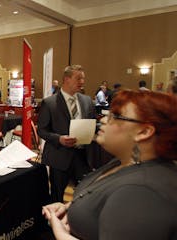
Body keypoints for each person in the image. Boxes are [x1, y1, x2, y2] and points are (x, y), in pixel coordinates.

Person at [42, 90, 177, 240]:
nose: (104, 120)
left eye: (115, 116)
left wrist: (61, 233)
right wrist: (72, 209)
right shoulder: (123, 162)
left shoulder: (142, 192)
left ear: (144, 131)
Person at [37, 65, 95, 203]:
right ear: (66, 79)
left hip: (83, 157)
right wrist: (59, 139)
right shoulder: (50, 103)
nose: (82, 82)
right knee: (57, 197)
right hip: (59, 157)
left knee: (85, 196)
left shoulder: (87, 101)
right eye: (78, 78)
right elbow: (42, 130)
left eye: (83, 78)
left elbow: (92, 124)